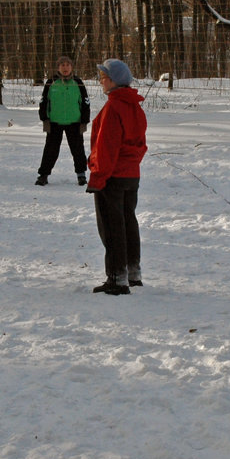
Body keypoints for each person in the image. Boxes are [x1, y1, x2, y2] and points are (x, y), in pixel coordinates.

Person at [86, 58, 147, 295]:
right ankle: (133, 272)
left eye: (103, 77)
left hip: (112, 175)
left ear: (112, 80)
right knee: (128, 222)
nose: (100, 82)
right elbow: (141, 144)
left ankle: (116, 277)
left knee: (112, 227)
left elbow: (106, 147)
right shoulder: (134, 106)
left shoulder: (114, 107)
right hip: (131, 175)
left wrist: (98, 177)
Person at [36, 55, 90, 186]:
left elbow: (85, 102)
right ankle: (43, 175)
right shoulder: (51, 82)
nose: (65, 68)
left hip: (74, 122)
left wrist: (84, 120)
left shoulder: (78, 82)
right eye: (62, 65)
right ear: (58, 67)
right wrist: (44, 119)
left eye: (67, 65)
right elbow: (43, 101)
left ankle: (81, 175)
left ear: (72, 67)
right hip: (54, 122)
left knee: (78, 150)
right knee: (50, 149)